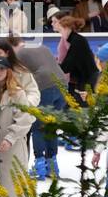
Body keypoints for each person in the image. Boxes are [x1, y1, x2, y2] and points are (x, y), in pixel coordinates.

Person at [11, 33, 68, 180]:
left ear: (12, 46)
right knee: (51, 126)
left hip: (44, 87)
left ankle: (40, 165)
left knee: (38, 127)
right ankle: (53, 165)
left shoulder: (20, 54)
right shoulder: (41, 47)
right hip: (62, 84)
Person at [0, 57, 36, 197]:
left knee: (14, 191)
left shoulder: (18, 93)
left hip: (12, 148)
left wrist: (10, 138)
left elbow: (25, 119)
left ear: (8, 70)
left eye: (2, 68)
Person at [55, 12, 98, 102]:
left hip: (88, 80)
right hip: (84, 79)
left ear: (67, 29)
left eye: (61, 30)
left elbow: (66, 67)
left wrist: (52, 65)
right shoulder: (76, 40)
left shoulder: (77, 41)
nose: (61, 34)